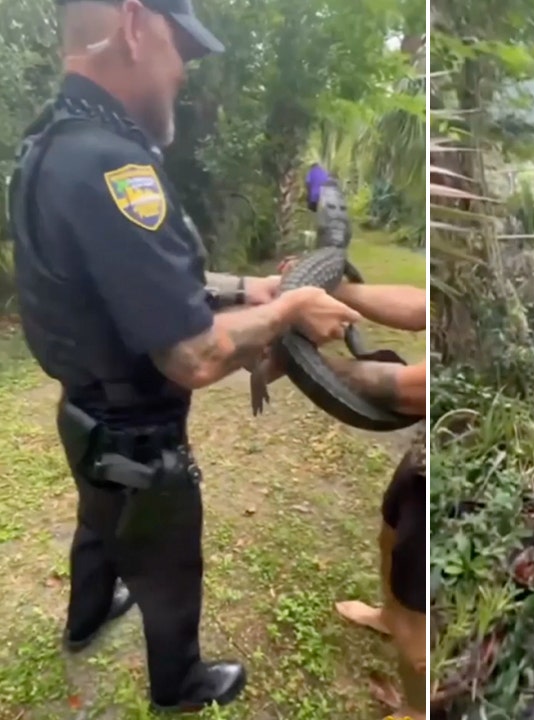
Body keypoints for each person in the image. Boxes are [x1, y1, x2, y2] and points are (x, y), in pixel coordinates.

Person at [7, 0, 363, 712]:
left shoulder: (51, 144)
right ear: (136, 27)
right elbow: (193, 357)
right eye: (183, 53)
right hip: (141, 438)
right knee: (170, 565)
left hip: (86, 414)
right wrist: (290, 308)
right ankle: (181, 685)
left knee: (97, 521)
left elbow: (134, 281)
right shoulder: (115, 166)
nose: (185, 77)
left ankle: (84, 621)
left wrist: (248, 288)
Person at [265, 268, 428, 718]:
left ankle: (417, 708)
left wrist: (297, 358)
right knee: (390, 535)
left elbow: (412, 391)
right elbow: (421, 304)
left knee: (419, 604)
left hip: (446, 454)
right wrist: (331, 289)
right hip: (424, 452)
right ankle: (389, 617)